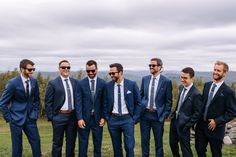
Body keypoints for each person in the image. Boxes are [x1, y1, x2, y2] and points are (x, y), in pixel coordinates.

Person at [0, 59, 41, 157]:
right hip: (16, 120)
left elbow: (36, 100)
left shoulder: (34, 82)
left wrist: (34, 114)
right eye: (30, 69)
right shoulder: (12, 83)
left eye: (33, 69)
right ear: (22, 69)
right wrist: (10, 119)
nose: (32, 72)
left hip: (31, 119)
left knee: (36, 144)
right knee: (17, 148)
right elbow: (2, 103)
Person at [195, 61, 236, 157]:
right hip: (201, 126)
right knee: (199, 150)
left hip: (216, 129)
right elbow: (203, 104)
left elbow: (232, 112)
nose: (215, 72)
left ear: (225, 73)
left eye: (219, 70)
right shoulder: (207, 85)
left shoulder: (228, 92)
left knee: (216, 153)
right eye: (214, 69)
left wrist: (217, 121)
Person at [104, 63, 142, 157]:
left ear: (120, 73)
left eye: (113, 73)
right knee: (116, 148)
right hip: (113, 120)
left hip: (127, 119)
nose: (111, 75)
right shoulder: (108, 86)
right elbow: (105, 103)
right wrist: (107, 118)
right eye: (110, 74)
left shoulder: (132, 84)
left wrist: (134, 119)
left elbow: (139, 103)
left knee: (129, 146)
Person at [140, 58, 172, 157]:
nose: (151, 67)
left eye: (153, 65)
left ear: (160, 67)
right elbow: (141, 96)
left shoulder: (166, 81)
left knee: (158, 142)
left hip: (157, 116)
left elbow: (168, 102)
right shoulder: (145, 79)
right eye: (150, 65)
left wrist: (163, 117)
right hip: (145, 115)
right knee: (144, 141)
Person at [45, 60, 77, 157]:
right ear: (59, 69)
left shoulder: (75, 82)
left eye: (68, 67)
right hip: (59, 116)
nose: (66, 69)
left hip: (72, 116)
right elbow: (48, 101)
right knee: (57, 143)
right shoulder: (53, 83)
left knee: (71, 143)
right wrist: (52, 117)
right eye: (63, 67)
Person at [169, 67, 202, 157]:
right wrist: (173, 113)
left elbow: (197, 113)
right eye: (181, 77)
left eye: (185, 78)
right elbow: (180, 103)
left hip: (184, 125)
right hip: (175, 121)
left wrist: (188, 125)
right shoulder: (181, 87)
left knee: (185, 148)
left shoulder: (196, 94)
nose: (182, 80)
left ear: (192, 78)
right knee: (172, 144)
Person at [76, 60, 106, 157]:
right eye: (88, 71)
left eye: (92, 71)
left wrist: (103, 117)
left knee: (97, 144)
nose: (90, 73)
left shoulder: (103, 83)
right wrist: (79, 118)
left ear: (97, 69)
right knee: (83, 144)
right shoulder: (80, 83)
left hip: (98, 119)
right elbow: (78, 102)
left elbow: (104, 102)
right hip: (84, 119)